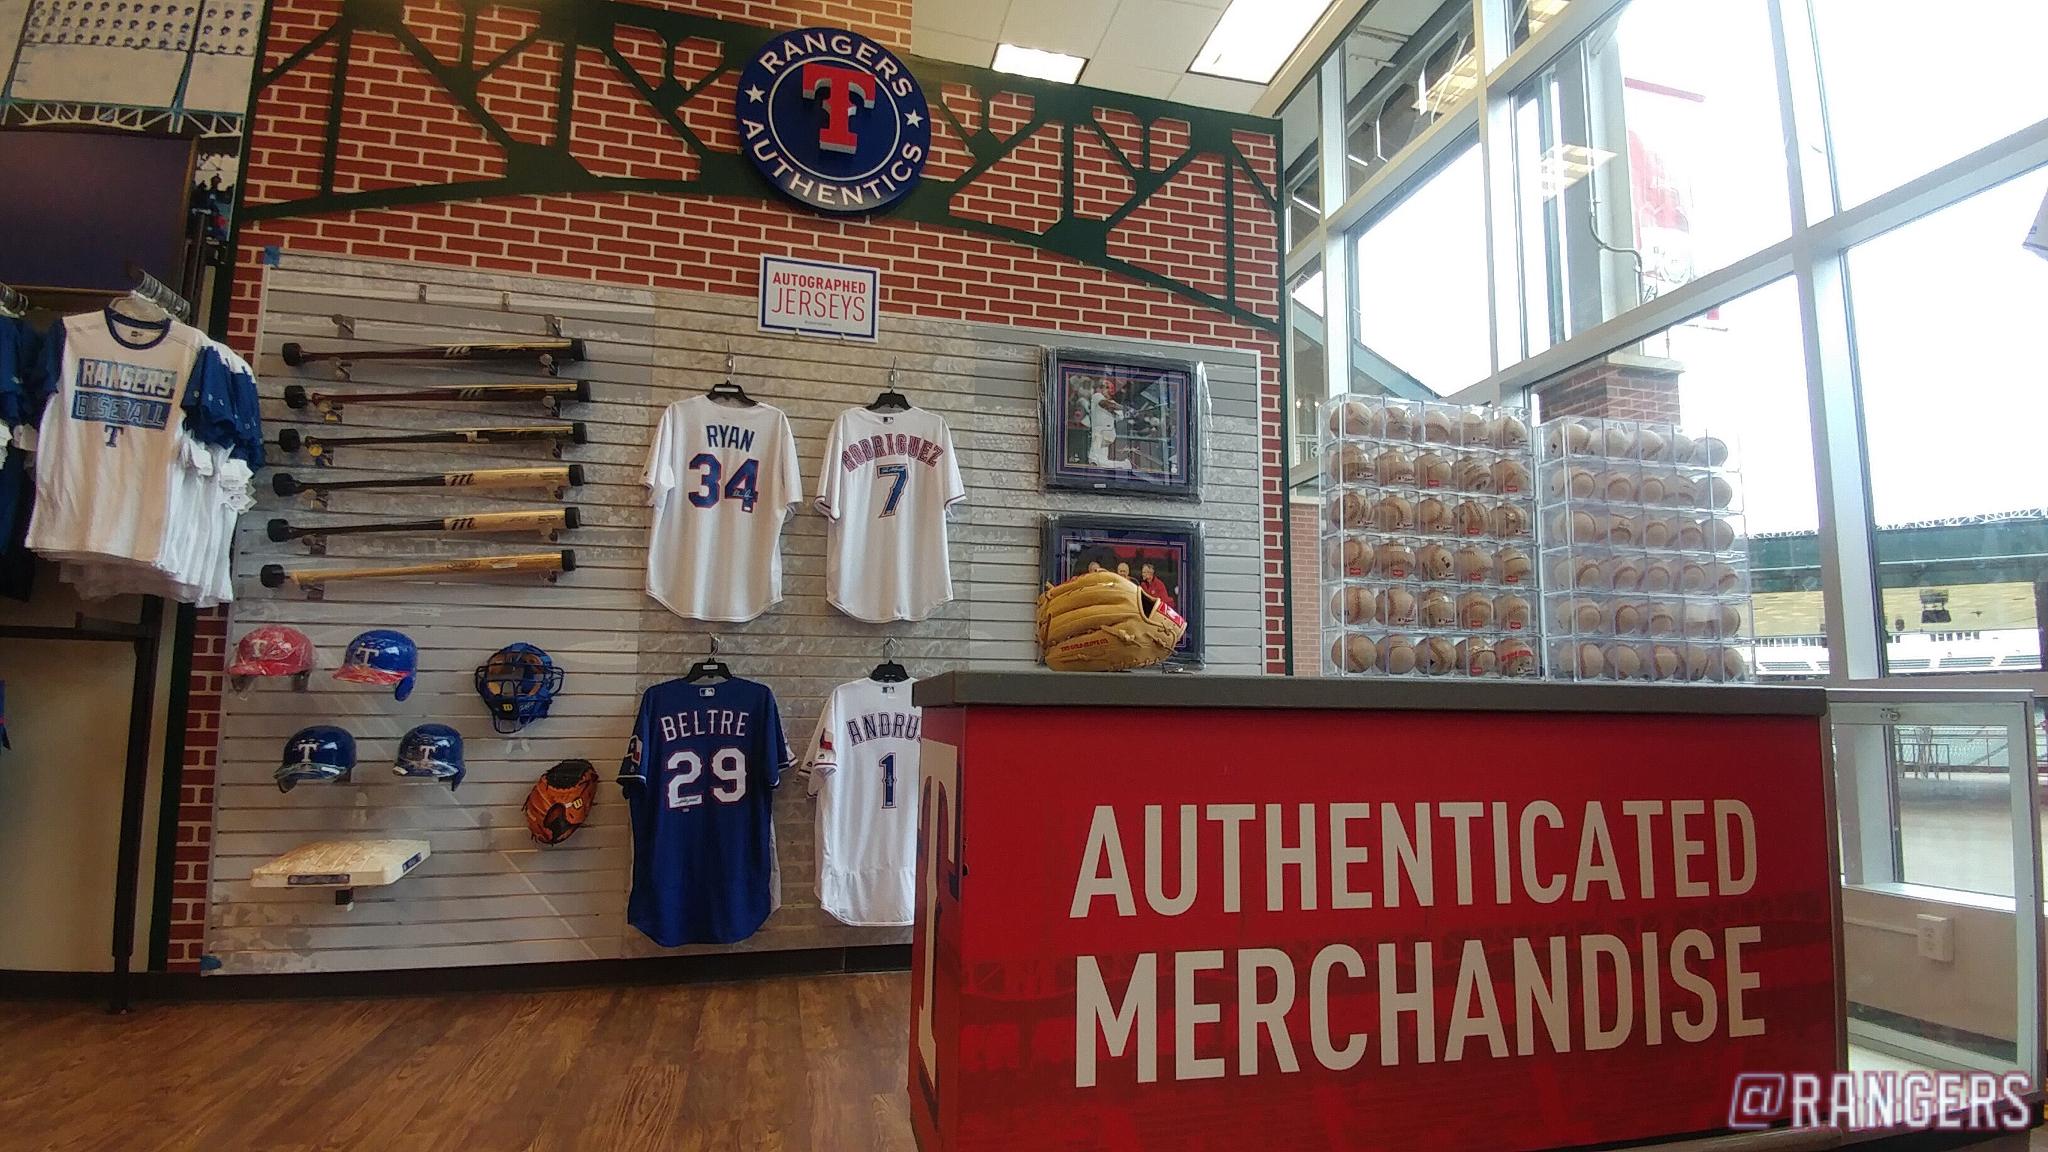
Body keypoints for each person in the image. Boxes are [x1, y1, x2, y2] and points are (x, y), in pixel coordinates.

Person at [1083, 380, 1129, 469]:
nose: (1099, 389)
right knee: (1099, 462)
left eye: (1102, 387)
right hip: (1108, 434)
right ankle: (1123, 465)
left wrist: (1127, 411)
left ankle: (1125, 464)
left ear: (1109, 390)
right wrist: (1126, 409)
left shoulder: (1099, 396)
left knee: (1094, 460)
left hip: (1101, 433)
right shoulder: (1102, 399)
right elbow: (1107, 405)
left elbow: (1116, 413)